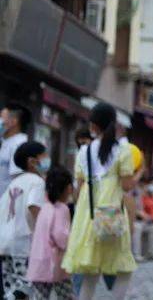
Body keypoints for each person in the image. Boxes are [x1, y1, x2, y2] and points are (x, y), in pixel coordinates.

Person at [62, 103, 137, 300]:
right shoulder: (123, 150)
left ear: (93, 126)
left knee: (90, 271)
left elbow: (78, 188)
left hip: (88, 215)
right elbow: (128, 186)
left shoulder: (84, 152)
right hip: (111, 213)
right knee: (123, 267)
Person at [0, 141, 47, 299]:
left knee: (10, 285)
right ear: (32, 162)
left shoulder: (14, 183)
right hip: (24, 245)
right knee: (25, 287)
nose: (47, 160)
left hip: (5, 244)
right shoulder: (37, 182)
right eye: (43, 156)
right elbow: (34, 207)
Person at [26, 164, 73, 300]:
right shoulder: (62, 209)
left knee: (41, 297)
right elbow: (60, 236)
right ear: (66, 188)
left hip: (38, 263)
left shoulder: (45, 208)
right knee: (66, 295)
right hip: (55, 263)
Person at [0, 105, 30, 197]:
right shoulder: (5, 141)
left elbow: (17, 179)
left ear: (14, 121)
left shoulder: (19, 144)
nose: (0, 121)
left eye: (2, 117)